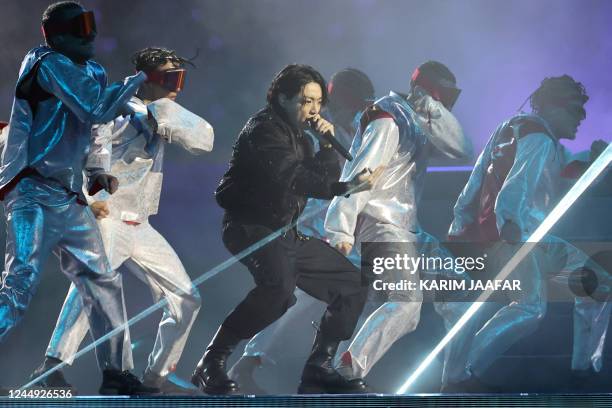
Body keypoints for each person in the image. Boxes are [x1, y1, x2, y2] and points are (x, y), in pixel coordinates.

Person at [30, 47, 213, 395]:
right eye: (169, 76)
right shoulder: (112, 107)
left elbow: (204, 139)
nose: (176, 85)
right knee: (97, 289)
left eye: (180, 77)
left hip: (140, 223)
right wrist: (90, 199)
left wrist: (165, 117)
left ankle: (155, 378)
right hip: (107, 216)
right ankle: (54, 366)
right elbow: (84, 151)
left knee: (188, 298)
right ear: (148, 77)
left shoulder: (162, 110)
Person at [191, 64, 383, 394]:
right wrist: (347, 187)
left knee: (351, 284)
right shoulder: (263, 130)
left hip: (285, 232)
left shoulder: (303, 138)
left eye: (318, 102)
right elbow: (294, 178)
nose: (313, 110)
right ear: (281, 98)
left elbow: (320, 179)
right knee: (278, 290)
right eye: (305, 101)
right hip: (250, 228)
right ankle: (211, 362)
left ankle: (318, 367)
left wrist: (325, 145)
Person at [0, 1, 155, 395]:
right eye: (79, 26)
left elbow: (94, 132)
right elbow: (94, 107)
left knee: (102, 280)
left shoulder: (92, 71)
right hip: (31, 191)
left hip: (68, 197)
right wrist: (139, 79)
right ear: (56, 34)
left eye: (90, 24)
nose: (90, 34)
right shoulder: (45, 63)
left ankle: (117, 373)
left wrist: (98, 179)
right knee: (19, 286)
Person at [442, 75, 611, 391]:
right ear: (552, 107)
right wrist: (511, 228)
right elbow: (515, 188)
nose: (581, 119)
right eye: (575, 110)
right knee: (530, 307)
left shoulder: (515, 129)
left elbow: (476, 180)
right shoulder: (540, 139)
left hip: (516, 235)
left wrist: (459, 225)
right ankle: (463, 373)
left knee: (598, 284)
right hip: (520, 237)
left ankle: (583, 370)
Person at [324, 60, 472, 379]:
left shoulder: (418, 121)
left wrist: (430, 110)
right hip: (382, 227)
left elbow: (461, 148)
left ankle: (455, 380)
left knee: (459, 287)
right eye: (442, 96)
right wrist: (339, 226)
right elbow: (363, 171)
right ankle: (344, 374)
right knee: (406, 305)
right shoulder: (388, 115)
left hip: (408, 231)